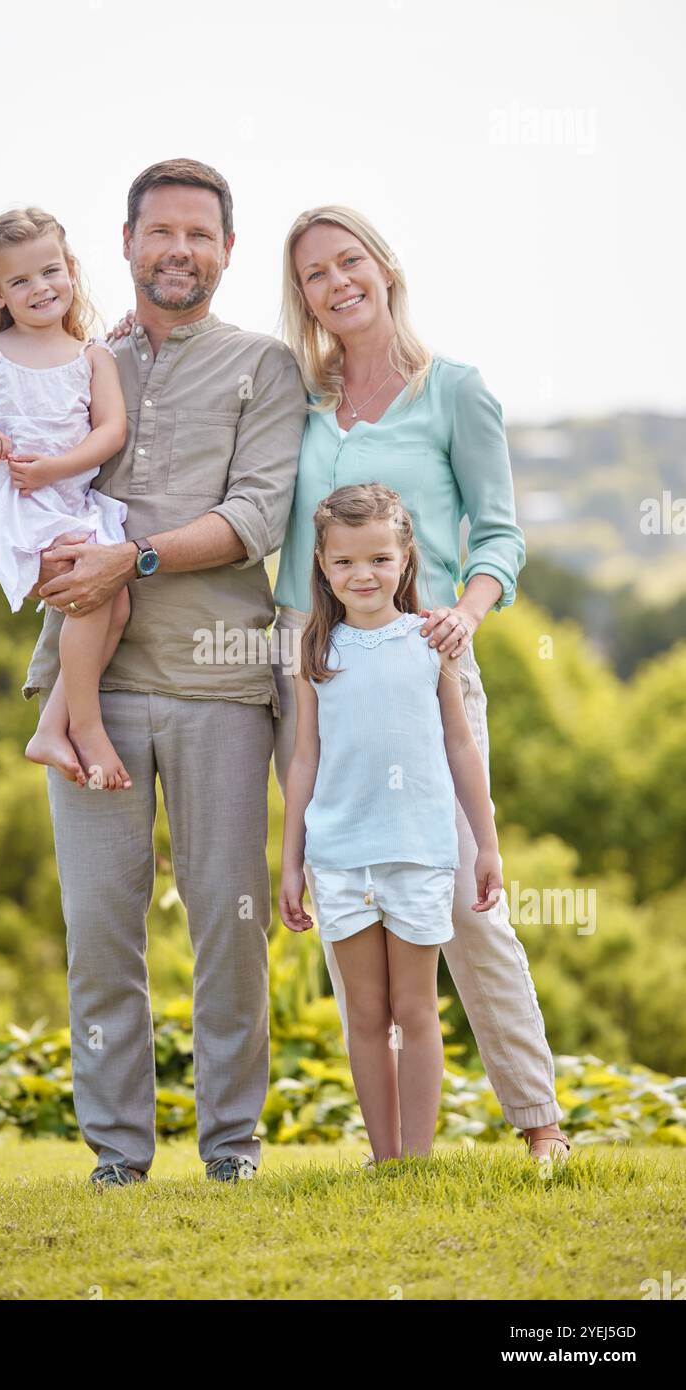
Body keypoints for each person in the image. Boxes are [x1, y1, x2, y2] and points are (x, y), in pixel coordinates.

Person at [21, 160, 308, 1186]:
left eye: (199, 234)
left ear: (226, 251)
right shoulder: (79, 362)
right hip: (85, 688)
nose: (178, 250)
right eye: (160, 232)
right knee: (101, 933)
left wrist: (130, 558)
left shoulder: (265, 368)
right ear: (128, 243)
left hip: (221, 685)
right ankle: (117, 1159)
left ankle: (230, 1149)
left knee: (227, 933)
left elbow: (258, 517)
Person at [271, 205, 571, 1164]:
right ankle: (390, 1144)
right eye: (314, 274)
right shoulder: (301, 404)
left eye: (348, 261)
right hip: (316, 667)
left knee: (466, 914)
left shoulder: (455, 393)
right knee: (343, 893)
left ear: (385, 267)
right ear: (303, 296)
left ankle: (538, 1122)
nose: (335, 283)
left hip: (424, 663)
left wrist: (467, 615)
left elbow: (499, 533)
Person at [280, 483, 503, 1162]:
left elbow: (461, 747)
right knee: (366, 1017)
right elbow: (303, 760)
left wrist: (486, 845)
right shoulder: (316, 653)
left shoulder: (430, 644)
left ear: (405, 560)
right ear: (321, 565)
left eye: (379, 558)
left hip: (417, 853)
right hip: (340, 857)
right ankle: (384, 1160)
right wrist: (290, 863)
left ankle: (417, 1159)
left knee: (414, 1011)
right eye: (344, 562)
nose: (362, 575)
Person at [0, 206, 134, 791]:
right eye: (20, 281)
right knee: (88, 591)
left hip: (66, 498)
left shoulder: (95, 356)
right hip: (12, 505)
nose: (40, 288)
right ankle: (86, 729)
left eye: (50, 271)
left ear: (71, 271)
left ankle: (51, 728)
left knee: (115, 601)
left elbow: (110, 431)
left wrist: (56, 469)